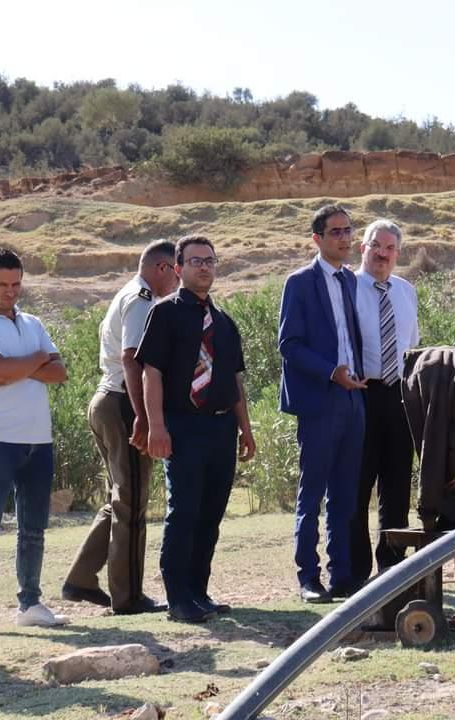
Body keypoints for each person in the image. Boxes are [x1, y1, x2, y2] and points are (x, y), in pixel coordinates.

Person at [139, 235, 256, 623]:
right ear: (178, 268)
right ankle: (178, 597)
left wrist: (246, 428)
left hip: (221, 428)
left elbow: (234, 381)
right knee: (184, 511)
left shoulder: (224, 322)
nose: (203, 267)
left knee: (210, 513)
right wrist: (156, 425)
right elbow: (151, 372)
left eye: (209, 260)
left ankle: (199, 590)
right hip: (182, 426)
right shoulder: (164, 313)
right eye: (194, 261)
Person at [0, 248, 70, 634]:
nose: (11, 291)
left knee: (33, 527)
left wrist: (22, 365)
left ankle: (30, 603)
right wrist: (37, 359)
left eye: (16, 283)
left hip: (38, 440)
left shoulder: (33, 322)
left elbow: (60, 373)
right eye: (3, 284)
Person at [61, 240, 177, 614]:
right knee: (132, 502)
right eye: (177, 271)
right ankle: (127, 599)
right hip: (123, 403)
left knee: (120, 499)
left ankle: (81, 578)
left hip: (109, 400)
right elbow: (132, 359)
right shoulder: (142, 299)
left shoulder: (130, 293)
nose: (178, 280)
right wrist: (143, 416)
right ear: (163, 268)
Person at [279, 204, 367, 603]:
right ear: (316, 239)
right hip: (319, 399)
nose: (345, 238)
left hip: (353, 399)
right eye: (335, 232)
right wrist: (332, 372)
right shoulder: (299, 283)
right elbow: (289, 345)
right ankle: (308, 578)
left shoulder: (351, 281)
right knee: (312, 493)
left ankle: (343, 576)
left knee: (346, 494)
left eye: (348, 230)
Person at [349, 219, 420, 584]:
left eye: (390, 248)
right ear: (363, 248)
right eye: (376, 245)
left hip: (400, 395)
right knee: (358, 484)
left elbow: (414, 345)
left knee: (396, 485)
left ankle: (392, 568)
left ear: (398, 253)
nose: (382, 253)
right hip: (360, 393)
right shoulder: (347, 286)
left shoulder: (406, 291)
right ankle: (356, 571)